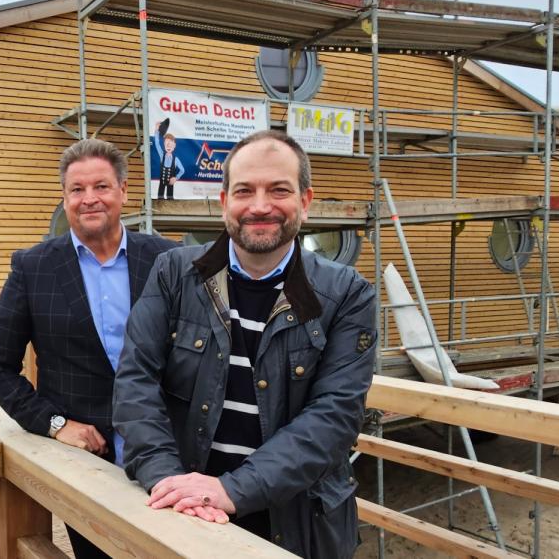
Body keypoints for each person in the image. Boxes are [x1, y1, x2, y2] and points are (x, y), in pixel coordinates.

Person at [114, 130, 376, 558]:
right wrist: (165, 478)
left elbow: (335, 416)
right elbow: (134, 382)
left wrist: (232, 489)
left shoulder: (347, 295)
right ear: (223, 204)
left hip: (296, 523)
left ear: (305, 202)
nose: (259, 206)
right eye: (244, 190)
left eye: (279, 190)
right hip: (184, 510)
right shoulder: (173, 274)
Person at [0, 138, 178, 559]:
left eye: (102, 187)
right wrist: (54, 424)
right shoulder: (33, 268)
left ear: (124, 192)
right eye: (77, 190)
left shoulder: (167, 259)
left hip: (169, 448)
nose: (90, 199)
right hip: (88, 458)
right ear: (65, 198)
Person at [155, 119, 185, 200]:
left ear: (174, 145)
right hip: (162, 183)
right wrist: (157, 130)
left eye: (170, 144)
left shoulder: (176, 159)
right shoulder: (162, 155)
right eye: (166, 144)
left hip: (170, 184)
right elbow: (157, 143)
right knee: (160, 198)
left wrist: (176, 178)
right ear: (164, 145)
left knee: (170, 198)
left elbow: (182, 170)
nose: (168, 146)